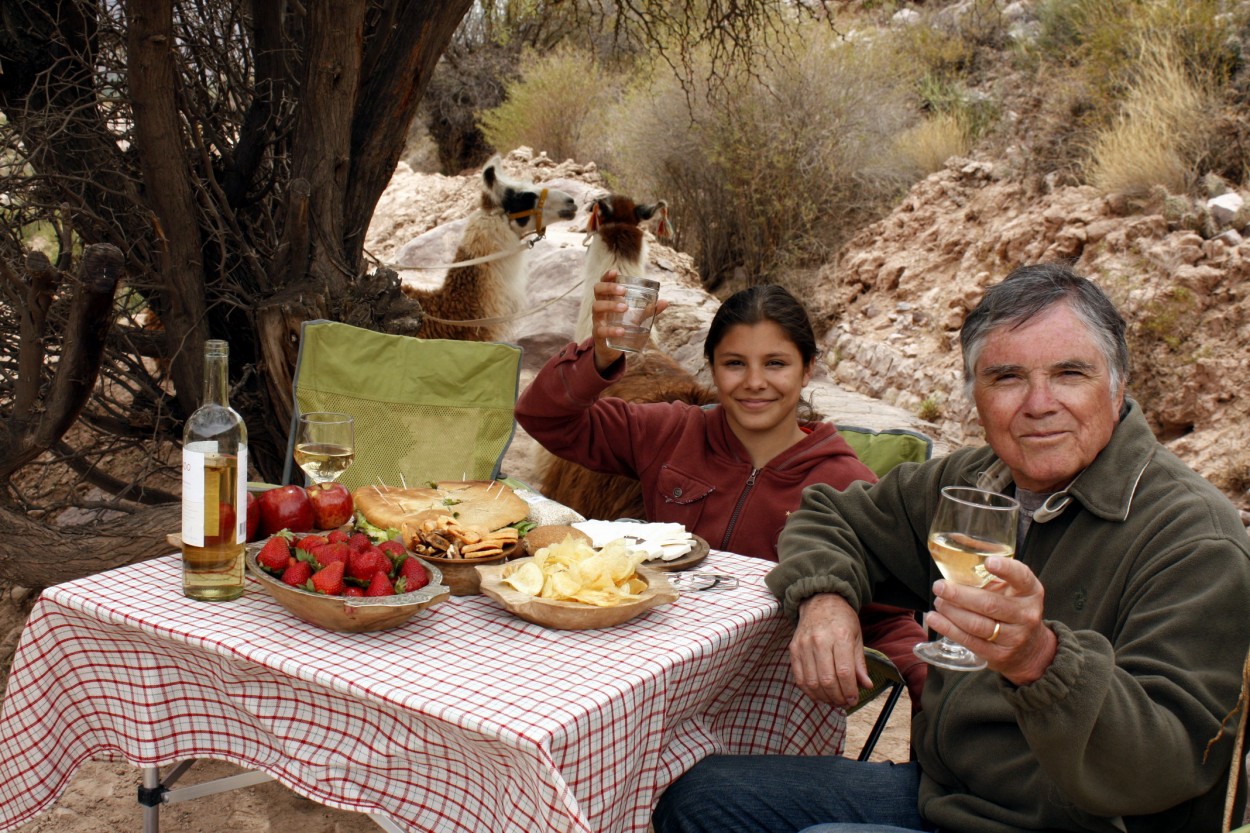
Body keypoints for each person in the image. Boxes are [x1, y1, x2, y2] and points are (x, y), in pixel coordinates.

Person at [652, 263, 1250, 833]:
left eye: (1070, 373)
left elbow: (1167, 765)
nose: (1039, 404)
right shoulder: (976, 483)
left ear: (1117, 387)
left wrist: (1039, 660)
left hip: (1070, 824)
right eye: (1007, 377)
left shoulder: (1193, 538)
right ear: (974, 398)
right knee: (698, 796)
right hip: (949, 796)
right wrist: (825, 596)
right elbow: (831, 516)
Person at [515, 274, 928, 705]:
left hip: (765, 699)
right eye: (734, 363)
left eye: (775, 363)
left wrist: (936, 692)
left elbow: (886, 620)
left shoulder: (846, 483)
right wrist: (597, 359)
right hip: (650, 679)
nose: (754, 382)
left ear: (808, 369)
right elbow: (545, 417)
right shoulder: (671, 432)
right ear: (711, 367)